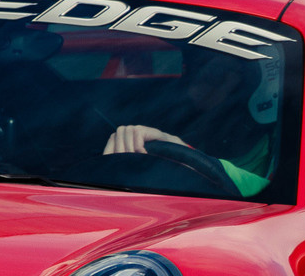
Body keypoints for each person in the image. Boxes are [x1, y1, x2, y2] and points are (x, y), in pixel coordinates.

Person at [98, 49, 278, 196]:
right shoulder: (193, 128)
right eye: (192, 71)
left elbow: (279, 198)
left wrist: (183, 151)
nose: (194, 91)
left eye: (214, 76)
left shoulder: (291, 145)